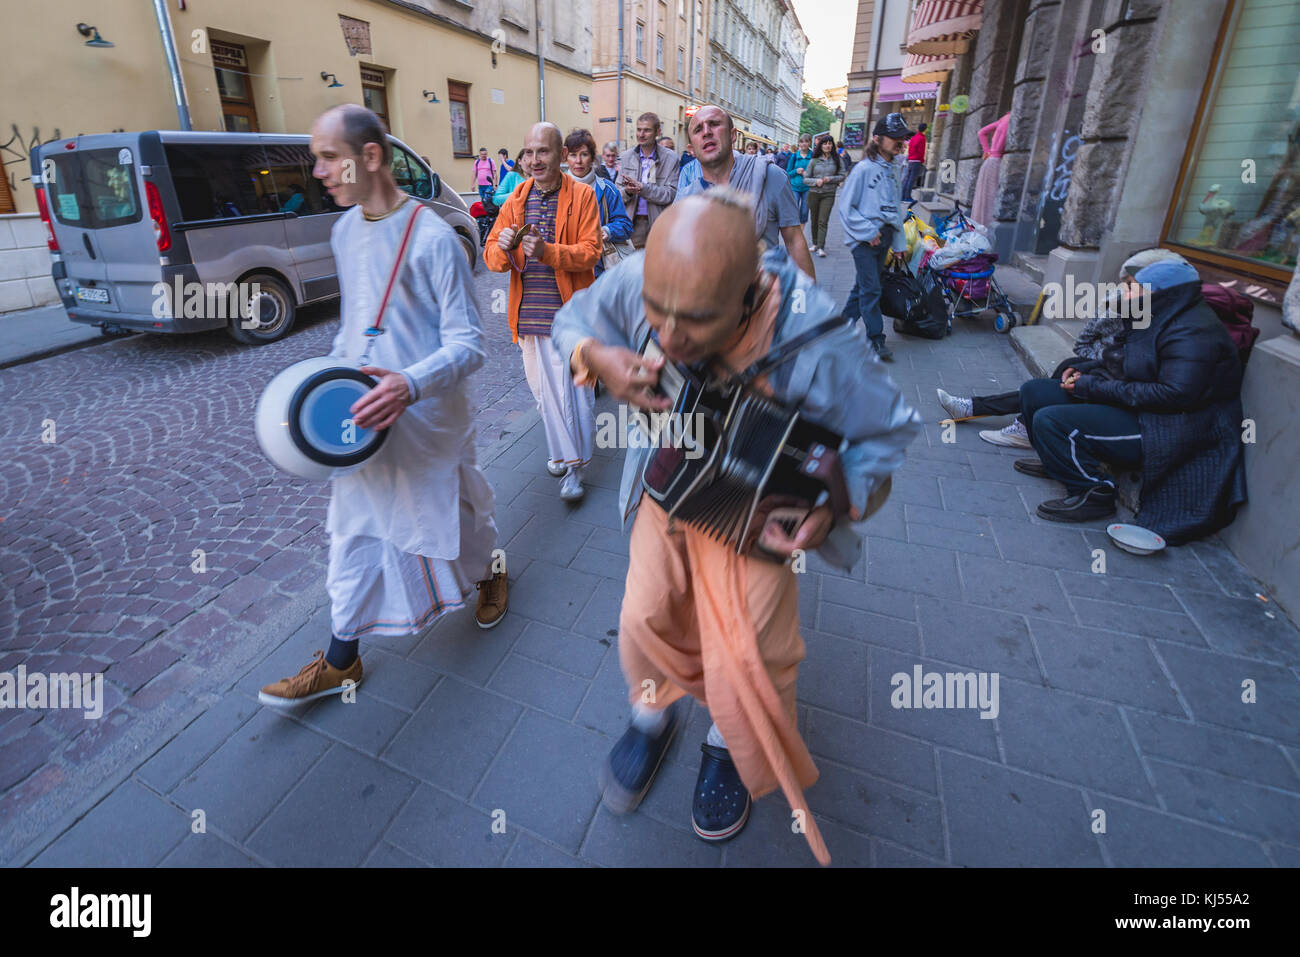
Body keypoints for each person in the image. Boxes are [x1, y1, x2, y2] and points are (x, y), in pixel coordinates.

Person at [550, 189, 922, 863]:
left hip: (757, 509)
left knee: (749, 646)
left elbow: (889, 432)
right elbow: (574, 318)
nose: (666, 337)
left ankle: (727, 741)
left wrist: (832, 506)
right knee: (643, 614)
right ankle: (651, 713)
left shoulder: (819, 335)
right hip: (668, 484)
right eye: (655, 314)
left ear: (750, 287)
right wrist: (595, 357)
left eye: (693, 322)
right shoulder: (648, 274)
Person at [258, 105, 507, 707]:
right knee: (353, 531)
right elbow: (357, 327)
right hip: (364, 418)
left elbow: (469, 345)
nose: (315, 171)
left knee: (457, 512)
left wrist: (409, 385)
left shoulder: (434, 239)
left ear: (370, 157)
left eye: (325, 156)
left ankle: (492, 571)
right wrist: (327, 383)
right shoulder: (345, 230)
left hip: (427, 417)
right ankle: (342, 660)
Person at [1016, 259, 1246, 534]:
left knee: (1052, 420)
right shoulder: (1156, 314)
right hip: (1137, 405)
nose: (1125, 293)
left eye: (1133, 289)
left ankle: (1095, 492)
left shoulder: (1194, 332)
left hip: (1168, 426)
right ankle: (1059, 463)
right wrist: (1086, 370)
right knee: (1035, 391)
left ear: (1162, 293)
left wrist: (1092, 387)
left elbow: (1175, 395)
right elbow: (1126, 362)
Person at [937, 248, 1191, 449]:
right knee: (1067, 369)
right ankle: (993, 415)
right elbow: (1092, 346)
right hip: (1120, 380)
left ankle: (996, 417)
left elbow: (1152, 379)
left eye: (1132, 283)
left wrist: (1100, 371)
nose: (1125, 287)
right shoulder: (1136, 308)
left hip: (1135, 404)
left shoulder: (1165, 322)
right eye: (1126, 282)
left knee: (1068, 374)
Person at [484, 122, 602, 502]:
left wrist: (548, 252)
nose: (534, 160)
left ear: (562, 156)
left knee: (575, 397)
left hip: (570, 317)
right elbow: (491, 258)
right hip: (529, 319)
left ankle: (575, 467)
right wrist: (502, 247)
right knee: (543, 395)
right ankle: (560, 452)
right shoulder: (515, 199)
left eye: (543, 152)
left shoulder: (583, 196)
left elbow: (590, 251)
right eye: (529, 152)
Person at [679, 105, 816, 281]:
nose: (706, 132)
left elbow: (794, 240)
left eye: (714, 124)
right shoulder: (685, 198)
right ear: (691, 149)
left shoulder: (769, 176)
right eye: (698, 129)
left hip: (763, 300)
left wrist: (805, 300)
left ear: (733, 135)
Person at [838, 112, 913, 362]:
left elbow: (895, 207)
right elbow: (846, 208)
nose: (900, 142)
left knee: (862, 287)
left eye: (901, 138)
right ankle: (876, 340)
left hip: (886, 237)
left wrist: (899, 242)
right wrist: (869, 232)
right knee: (872, 289)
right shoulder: (862, 170)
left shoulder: (894, 168)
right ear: (878, 139)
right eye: (894, 137)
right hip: (865, 239)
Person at [565, 127, 633, 277]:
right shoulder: (557, 188)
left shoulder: (608, 189)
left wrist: (608, 231)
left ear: (593, 158)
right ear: (565, 157)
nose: (578, 161)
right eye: (573, 155)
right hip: (565, 268)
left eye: (584, 154)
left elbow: (626, 225)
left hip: (598, 270)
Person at [618, 112, 679, 248]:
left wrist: (643, 189)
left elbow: (671, 194)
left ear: (658, 131)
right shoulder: (626, 157)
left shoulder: (671, 158)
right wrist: (627, 192)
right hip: (632, 224)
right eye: (639, 129)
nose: (641, 134)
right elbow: (617, 195)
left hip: (659, 224)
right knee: (632, 268)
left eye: (647, 130)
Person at [804, 134, 846, 258]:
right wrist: (815, 182)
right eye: (825, 143)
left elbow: (843, 175)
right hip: (814, 193)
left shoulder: (837, 159)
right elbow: (806, 179)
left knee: (823, 220)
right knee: (814, 219)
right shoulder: (814, 160)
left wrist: (830, 179)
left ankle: (821, 247)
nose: (827, 146)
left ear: (832, 145)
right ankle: (815, 243)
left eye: (829, 143)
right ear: (820, 145)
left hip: (828, 193)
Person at [972, 113, 1010, 227]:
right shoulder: (1012, 120)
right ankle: (987, 227)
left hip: (989, 161)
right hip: (996, 163)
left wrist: (987, 150)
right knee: (991, 198)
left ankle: (979, 226)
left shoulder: (1003, 119)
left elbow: (981, 132)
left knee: (983, 197)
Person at [785, 133, 814, 232]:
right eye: (801, 142)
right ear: (798, 143)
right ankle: (794, 231)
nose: (804, 144)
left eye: (806, 141)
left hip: (807, 187)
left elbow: (817, 172)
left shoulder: (813, 155)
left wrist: (807, 173)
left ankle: (801, 232)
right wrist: (796, 171)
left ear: (810, 142)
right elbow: (788, 172)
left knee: (804, 211)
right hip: (795, 187)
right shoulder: (794, 156)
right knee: (794, 209)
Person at [901, 122, 927, 201]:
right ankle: (907, 196)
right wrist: (922, 160)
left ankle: (902, 195)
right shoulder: (922, 138)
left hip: (911, 160)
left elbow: (910, 149)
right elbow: (921, 151)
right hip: (916, 160)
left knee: (907, 178)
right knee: (912, 179)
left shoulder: (913, 138)